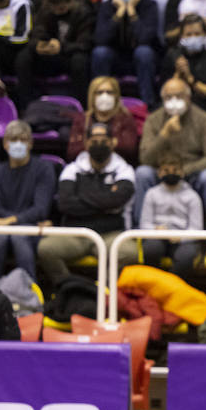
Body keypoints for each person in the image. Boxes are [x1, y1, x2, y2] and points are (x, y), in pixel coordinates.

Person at [37, 121, 138, 288]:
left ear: (113, 142)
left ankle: (104, 293)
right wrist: (105, 200)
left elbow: (118, 200)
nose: (99, 144)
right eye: (94, 140)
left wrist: (82, 196)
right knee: (46, 248)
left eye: (104, 140)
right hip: (77, 233)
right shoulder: (72, 169)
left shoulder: (124, 170)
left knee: (129, 253)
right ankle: (69, 288)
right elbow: (65, 204)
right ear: (86, 143)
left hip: (110, 234)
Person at [136, 76, 206, 226]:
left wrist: (182, 170)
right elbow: (145, 158)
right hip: (161, 173)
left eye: (179, 96)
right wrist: (164, 134)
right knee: (143, 173)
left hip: (193, 173)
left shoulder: (204, 119)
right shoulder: (153, 120)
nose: (174, 100)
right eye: (169, 97)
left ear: (188, 98)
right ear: (162, 99)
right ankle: (139, 232)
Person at [0, 120, 54, 280]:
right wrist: (10, 222)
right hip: (4, 230)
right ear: (5, 144)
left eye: (23, 140)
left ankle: (30, 294)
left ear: (31, 143)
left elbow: (41, 209)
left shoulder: (44, 169)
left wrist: (9, 221)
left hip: (32, 230)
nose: (18, 144)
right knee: (0, 238)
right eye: (13, 140)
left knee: (18, 236)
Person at [91, 0, 162, 103]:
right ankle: (100, 102)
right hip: (116, 58)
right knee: (100, 53)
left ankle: (147, 104)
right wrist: (118, 13)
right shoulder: (107, 6)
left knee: (144, 52)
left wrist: (131, 11)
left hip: (141, 60)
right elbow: (100, 39)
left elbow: (145, 39)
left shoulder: (149, 5)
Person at [28, 0, 95, 101]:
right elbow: (37, 32)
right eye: (54, 9)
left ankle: (82, 103)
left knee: (79, 60)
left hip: (71, 55)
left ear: (70, 1)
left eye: (62, 8)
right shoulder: (46, 8)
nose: (57, 12)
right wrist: (39, 45)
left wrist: (61, 47)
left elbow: (85, 43)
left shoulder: (84, 10)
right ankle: (26, 103)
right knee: (25, 56)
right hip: (52, 55)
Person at [138, 150, 203, 272]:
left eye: (175, 170)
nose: (171, 173)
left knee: (186, 256)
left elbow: (196, 229)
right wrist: (155, 230)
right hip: (157, 237)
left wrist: (181, 237)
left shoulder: (192, 196)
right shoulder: (151, 194)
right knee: (151, 249)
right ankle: (153, 285)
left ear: (182, 172)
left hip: (182, 239)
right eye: (166, 170)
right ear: (159, 173)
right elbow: (144, 225)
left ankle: (169, 288)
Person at [69, 77, 140, 166]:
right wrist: (110, 143)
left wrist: (92, 143)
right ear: (92, 95)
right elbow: (72, 151)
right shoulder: (82, 119)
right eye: (100, 92)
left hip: (118, 166)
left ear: (116, 96)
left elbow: (130, 149)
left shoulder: (126, 118)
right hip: (87, 166)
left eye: (109, 92)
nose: (104, 96)